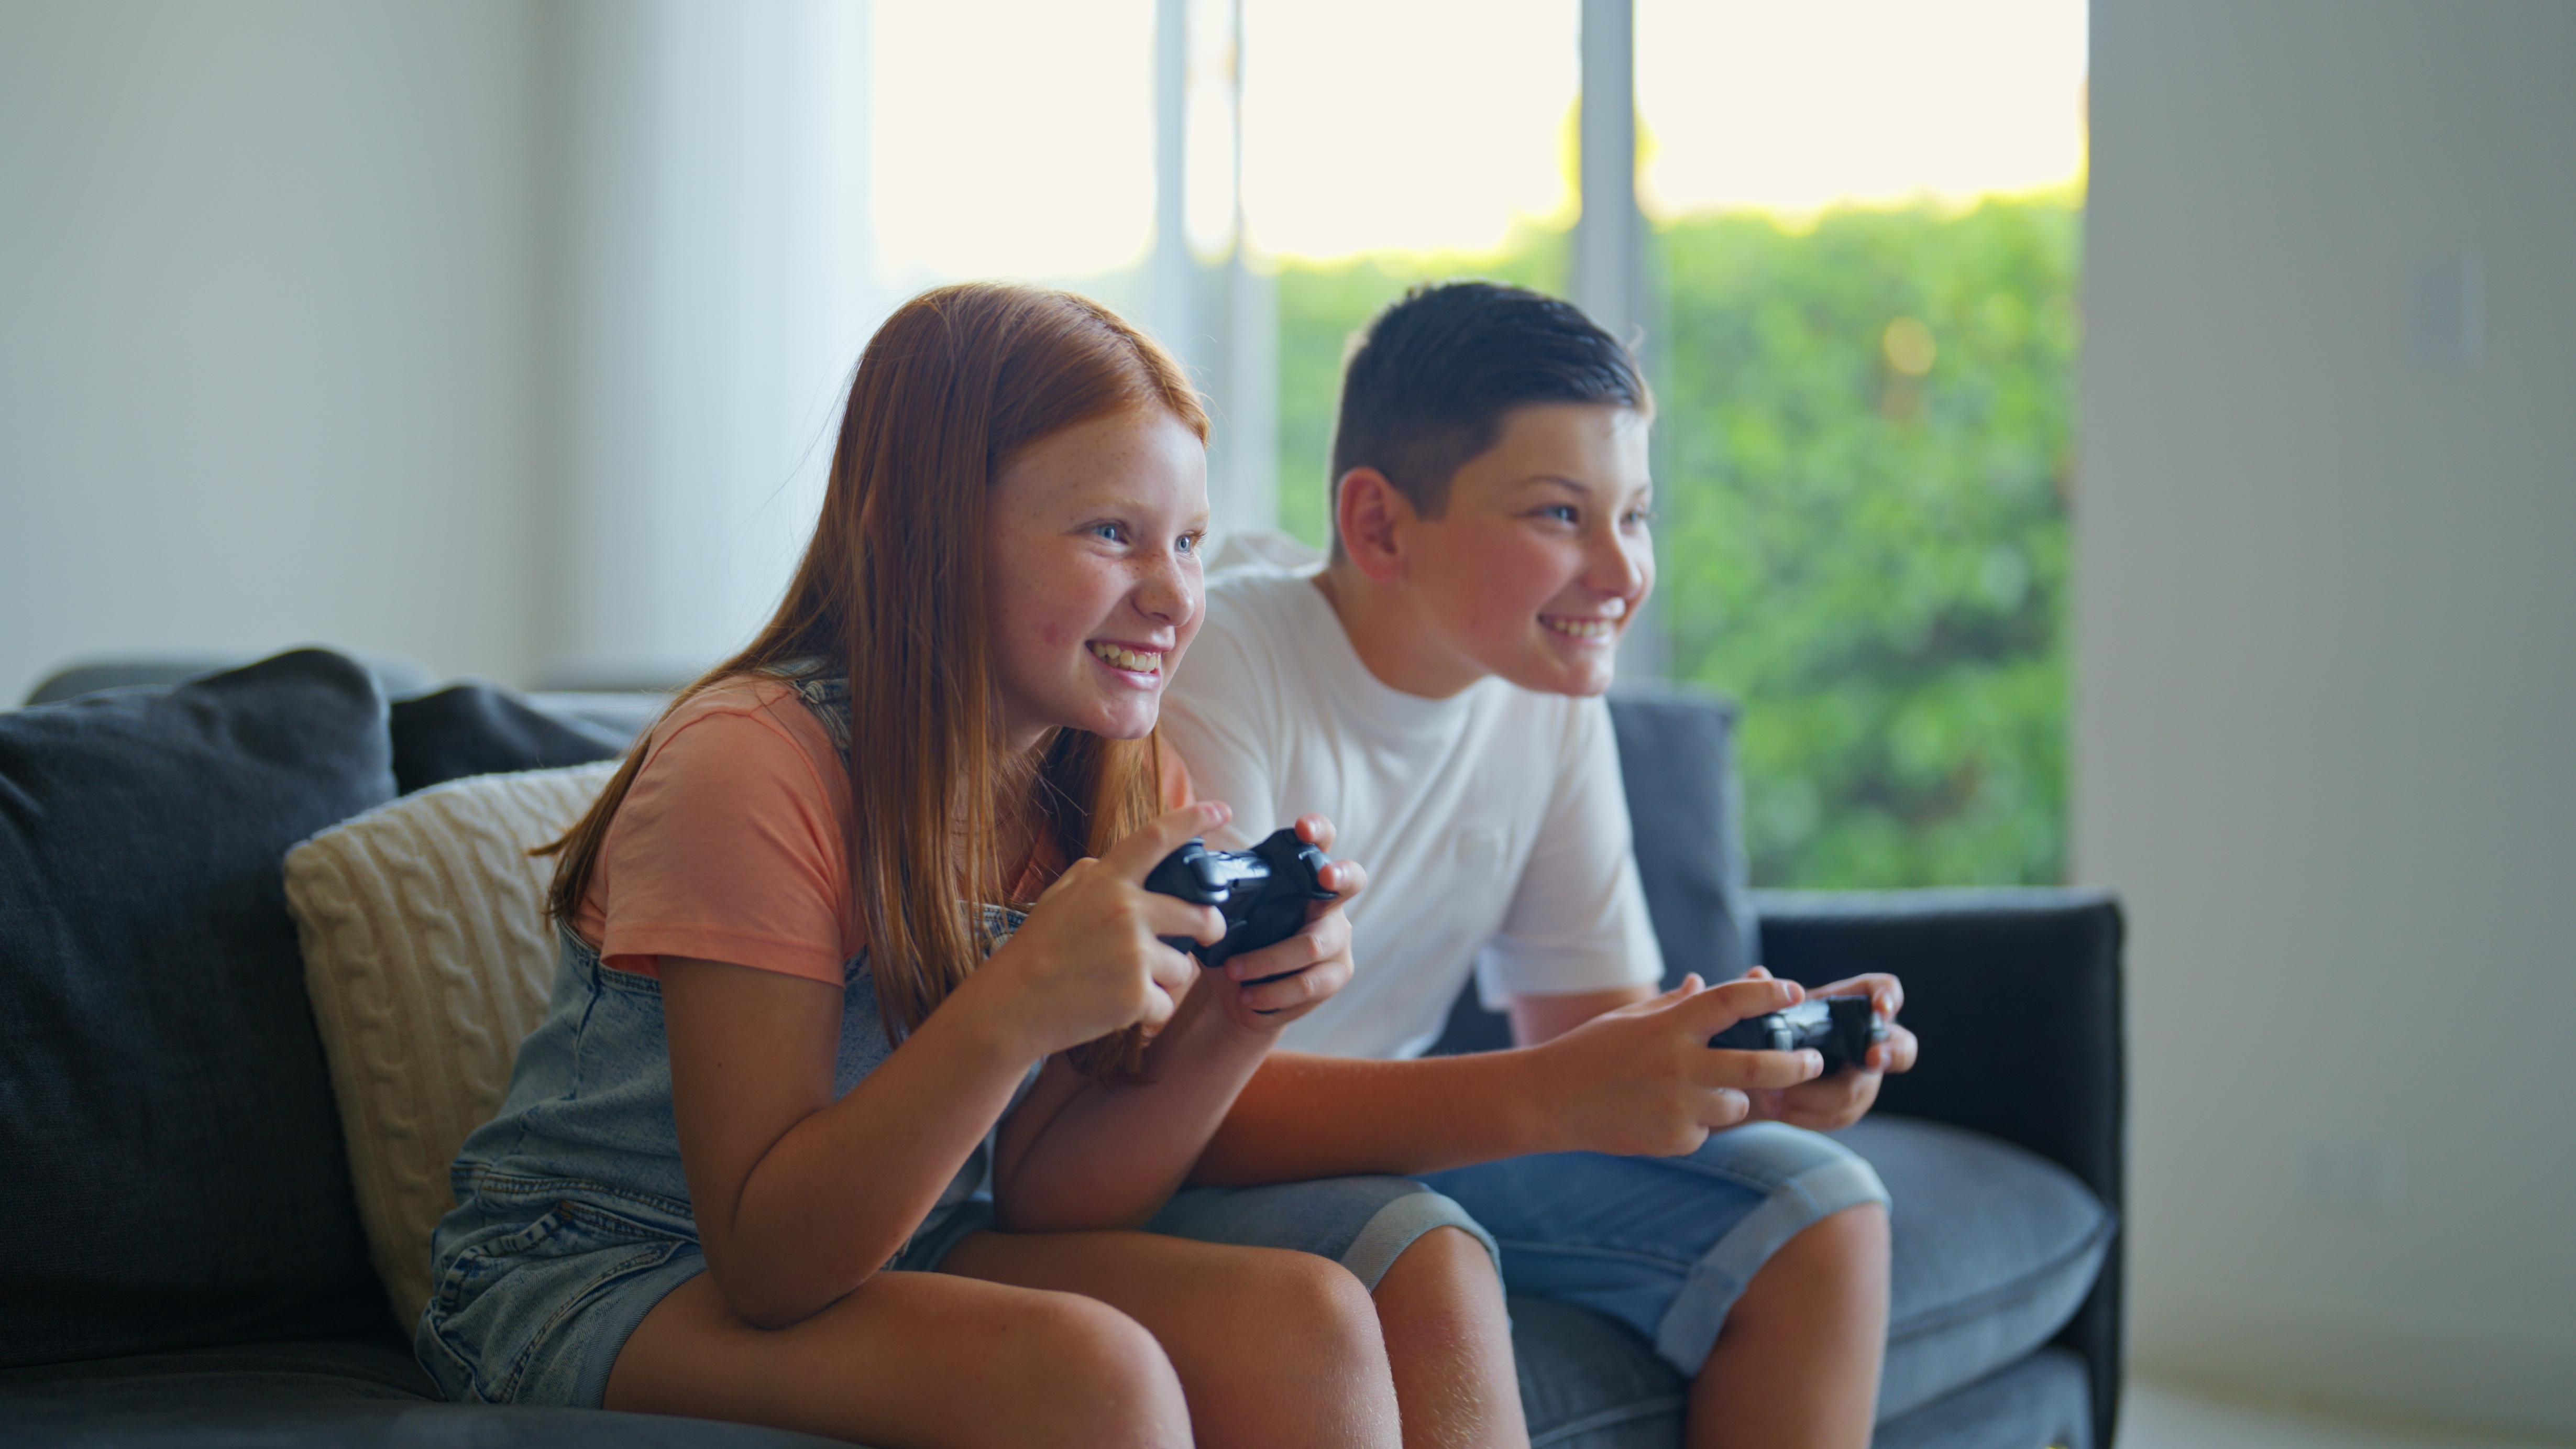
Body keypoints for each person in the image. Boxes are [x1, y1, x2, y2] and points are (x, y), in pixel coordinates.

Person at [416, 283, 1526, 1449]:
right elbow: (767, 1257)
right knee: (1092, 1374)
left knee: (1309, 1317)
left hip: (914, 1233)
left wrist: (1235, 1022)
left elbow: (1052, 1190)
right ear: (917, 528)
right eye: (1112, 533)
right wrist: (1011, 1008)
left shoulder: (1107, 777)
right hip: (602, 1265)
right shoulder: (750, 762)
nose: (1172, 595)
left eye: (1189, 541)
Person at [1158, 281, 1923, 1449]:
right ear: (1377, 527)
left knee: (1820, 1211)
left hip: (1384, 1136)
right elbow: (1166, 1109)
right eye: (1561, 516)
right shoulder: (1225, 663)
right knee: (1421, 1241)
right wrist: (1555, 1090)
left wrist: (1742, 1069)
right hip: (1190, 1162)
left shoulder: (1543, 693)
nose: (1620, 573)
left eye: (1636, 515)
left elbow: (1591, 1028)